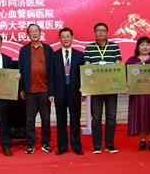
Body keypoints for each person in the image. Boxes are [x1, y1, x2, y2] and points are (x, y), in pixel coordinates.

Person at [84, 22, 122, 154]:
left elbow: (118, 63)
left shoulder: (114, 46)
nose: (100, 32)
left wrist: (119, 83)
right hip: (96, 88)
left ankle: (110, 144)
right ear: (95, 32)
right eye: (98, 30)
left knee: (111, 117)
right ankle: (97, 145)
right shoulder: (89, 48)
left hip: (111, 87)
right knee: (96, 117)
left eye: (103, 30)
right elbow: (87, 65)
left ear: (107, 33)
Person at [18, 24, 55, 154]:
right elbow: (21, 70)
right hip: (30, 91)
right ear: (28, 35)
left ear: (40, 32)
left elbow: (52, 71)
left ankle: (46, 142)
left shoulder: (48, 49)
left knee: (46, 119)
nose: (34, 33)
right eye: (31, 32)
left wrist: (51, 91)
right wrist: (22, 88)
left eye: (36, 31)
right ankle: (30, 144)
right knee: (30, 120)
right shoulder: (24, 50)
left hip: (45, 90)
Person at [126, 36, 150, 151]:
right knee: (139, 114)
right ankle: (142, 140)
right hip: (137, 94)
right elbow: (126, 76)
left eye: (147, 45)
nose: (145, 47)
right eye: (142, 44)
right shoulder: (131, 61)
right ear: (137, 47)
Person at [53, 27, 84, 155]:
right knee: (61, 119)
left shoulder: (80, 55)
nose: (65, 39)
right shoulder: (54, 55)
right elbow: (50, 76)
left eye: (68, 36)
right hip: (59, 92)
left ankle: (76, 146)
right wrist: (51, 93)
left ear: (72, 38)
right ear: (59, 39)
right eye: (63, 37)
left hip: (75, 91)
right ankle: (62, 146)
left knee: (75, 119)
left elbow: (83, 75)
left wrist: (84, 91)